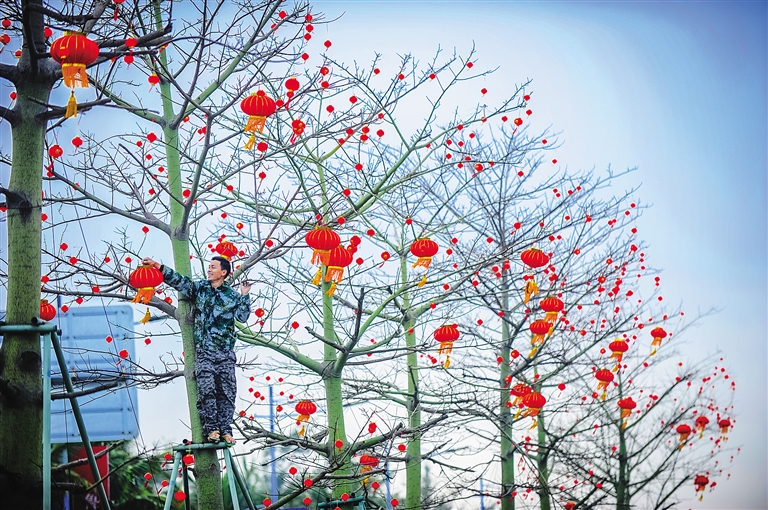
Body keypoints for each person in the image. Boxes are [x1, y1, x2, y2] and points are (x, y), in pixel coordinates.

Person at [141, 255, 251, 446]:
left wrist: (244, 295)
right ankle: (212, 429)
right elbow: (179, 281)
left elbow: (242, 317)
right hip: (205, 352)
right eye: (209, 266)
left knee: (227, 393)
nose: (209, 270)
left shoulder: (232, 296)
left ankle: (226, 430)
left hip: (225, 353)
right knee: (207, 390)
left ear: (223, 272)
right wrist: (158, 266)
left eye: (213, 267)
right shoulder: (200, 289)